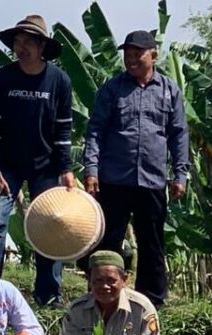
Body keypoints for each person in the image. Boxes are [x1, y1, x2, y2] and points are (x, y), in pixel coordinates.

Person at [82, 30, 189, 308]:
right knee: (108, 240)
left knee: (152, 242)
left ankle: (151, 300)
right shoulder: (112, 89)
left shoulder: (168, 90)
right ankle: (102, 297)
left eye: (137, 54)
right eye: (127, 54)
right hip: (114, 179)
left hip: (152, 180)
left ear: (153, 54)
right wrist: (91, 169)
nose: (131, 59)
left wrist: (180, 174)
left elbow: (179, 133)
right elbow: (95, 131)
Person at [0, 14, 75, 306]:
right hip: (7, 166)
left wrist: (66, 169)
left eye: (28, 42)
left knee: (50, 225)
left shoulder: (59, 80)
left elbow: (63, 129)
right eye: (18, 42)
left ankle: (49, 293)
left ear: (41, 46)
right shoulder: (2, 79)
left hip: (45, 166)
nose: (21, 47)